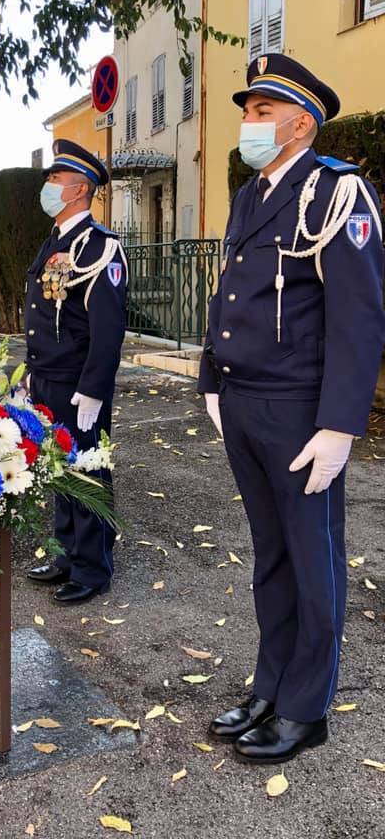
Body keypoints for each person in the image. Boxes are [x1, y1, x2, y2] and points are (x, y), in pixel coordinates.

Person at [199, 53, 385, 764]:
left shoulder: (337, 193)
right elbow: (230, 293)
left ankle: (307, 706)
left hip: (302, 412)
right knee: (270, 555)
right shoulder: (253, 196)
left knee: (314, 558)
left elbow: (359, 319)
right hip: (244, 404)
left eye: (261, 111)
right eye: (248, 110)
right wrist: (210, 379)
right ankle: (270, 686)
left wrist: (341, 425)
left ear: (300, 121)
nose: (248, 122)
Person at [25, 139, 128, 604]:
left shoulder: (99, 248)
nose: (47, 185)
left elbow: (108, 331)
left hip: (77, 386)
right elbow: (45, 315)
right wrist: (31, 373)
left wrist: (93, 389)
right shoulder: (55, 242)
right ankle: (68, 553)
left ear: (79, 188)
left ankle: (92, 568)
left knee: (87, 473)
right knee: (58, 472)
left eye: (54, 179)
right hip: (48, 378)